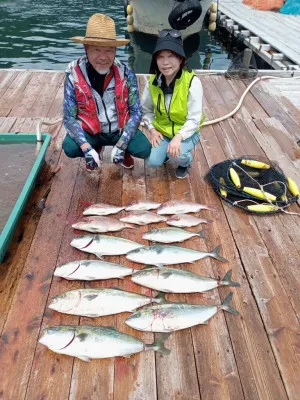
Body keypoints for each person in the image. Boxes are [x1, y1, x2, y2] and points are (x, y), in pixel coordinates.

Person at [62, 13, 151, 171]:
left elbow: (136, 112)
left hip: (119, 129)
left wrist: (122, 144)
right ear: (86, 49)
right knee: (69, 147)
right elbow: (69, 118)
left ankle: (124, 152)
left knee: (144, 149)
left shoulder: (127, 73)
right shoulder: (73, 75)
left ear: (115, 50)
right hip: (90, 130)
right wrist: (85, 147)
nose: (103, 57)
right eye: (97, 50)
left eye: (109, 50)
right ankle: (94, 148)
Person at [142, 29, 203, 179]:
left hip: (186, 133)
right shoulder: (152, 82)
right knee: (152, 162)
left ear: (181, 59)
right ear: (155, 60)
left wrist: (179, 137)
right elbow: (146, 110)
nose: (165, 62)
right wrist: (152, 130)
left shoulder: (192, 82)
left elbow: (194, 118)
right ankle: (166, 154)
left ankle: (185, 163)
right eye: (160, 57)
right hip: (163, 132)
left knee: (178, 154)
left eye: (171, 56)